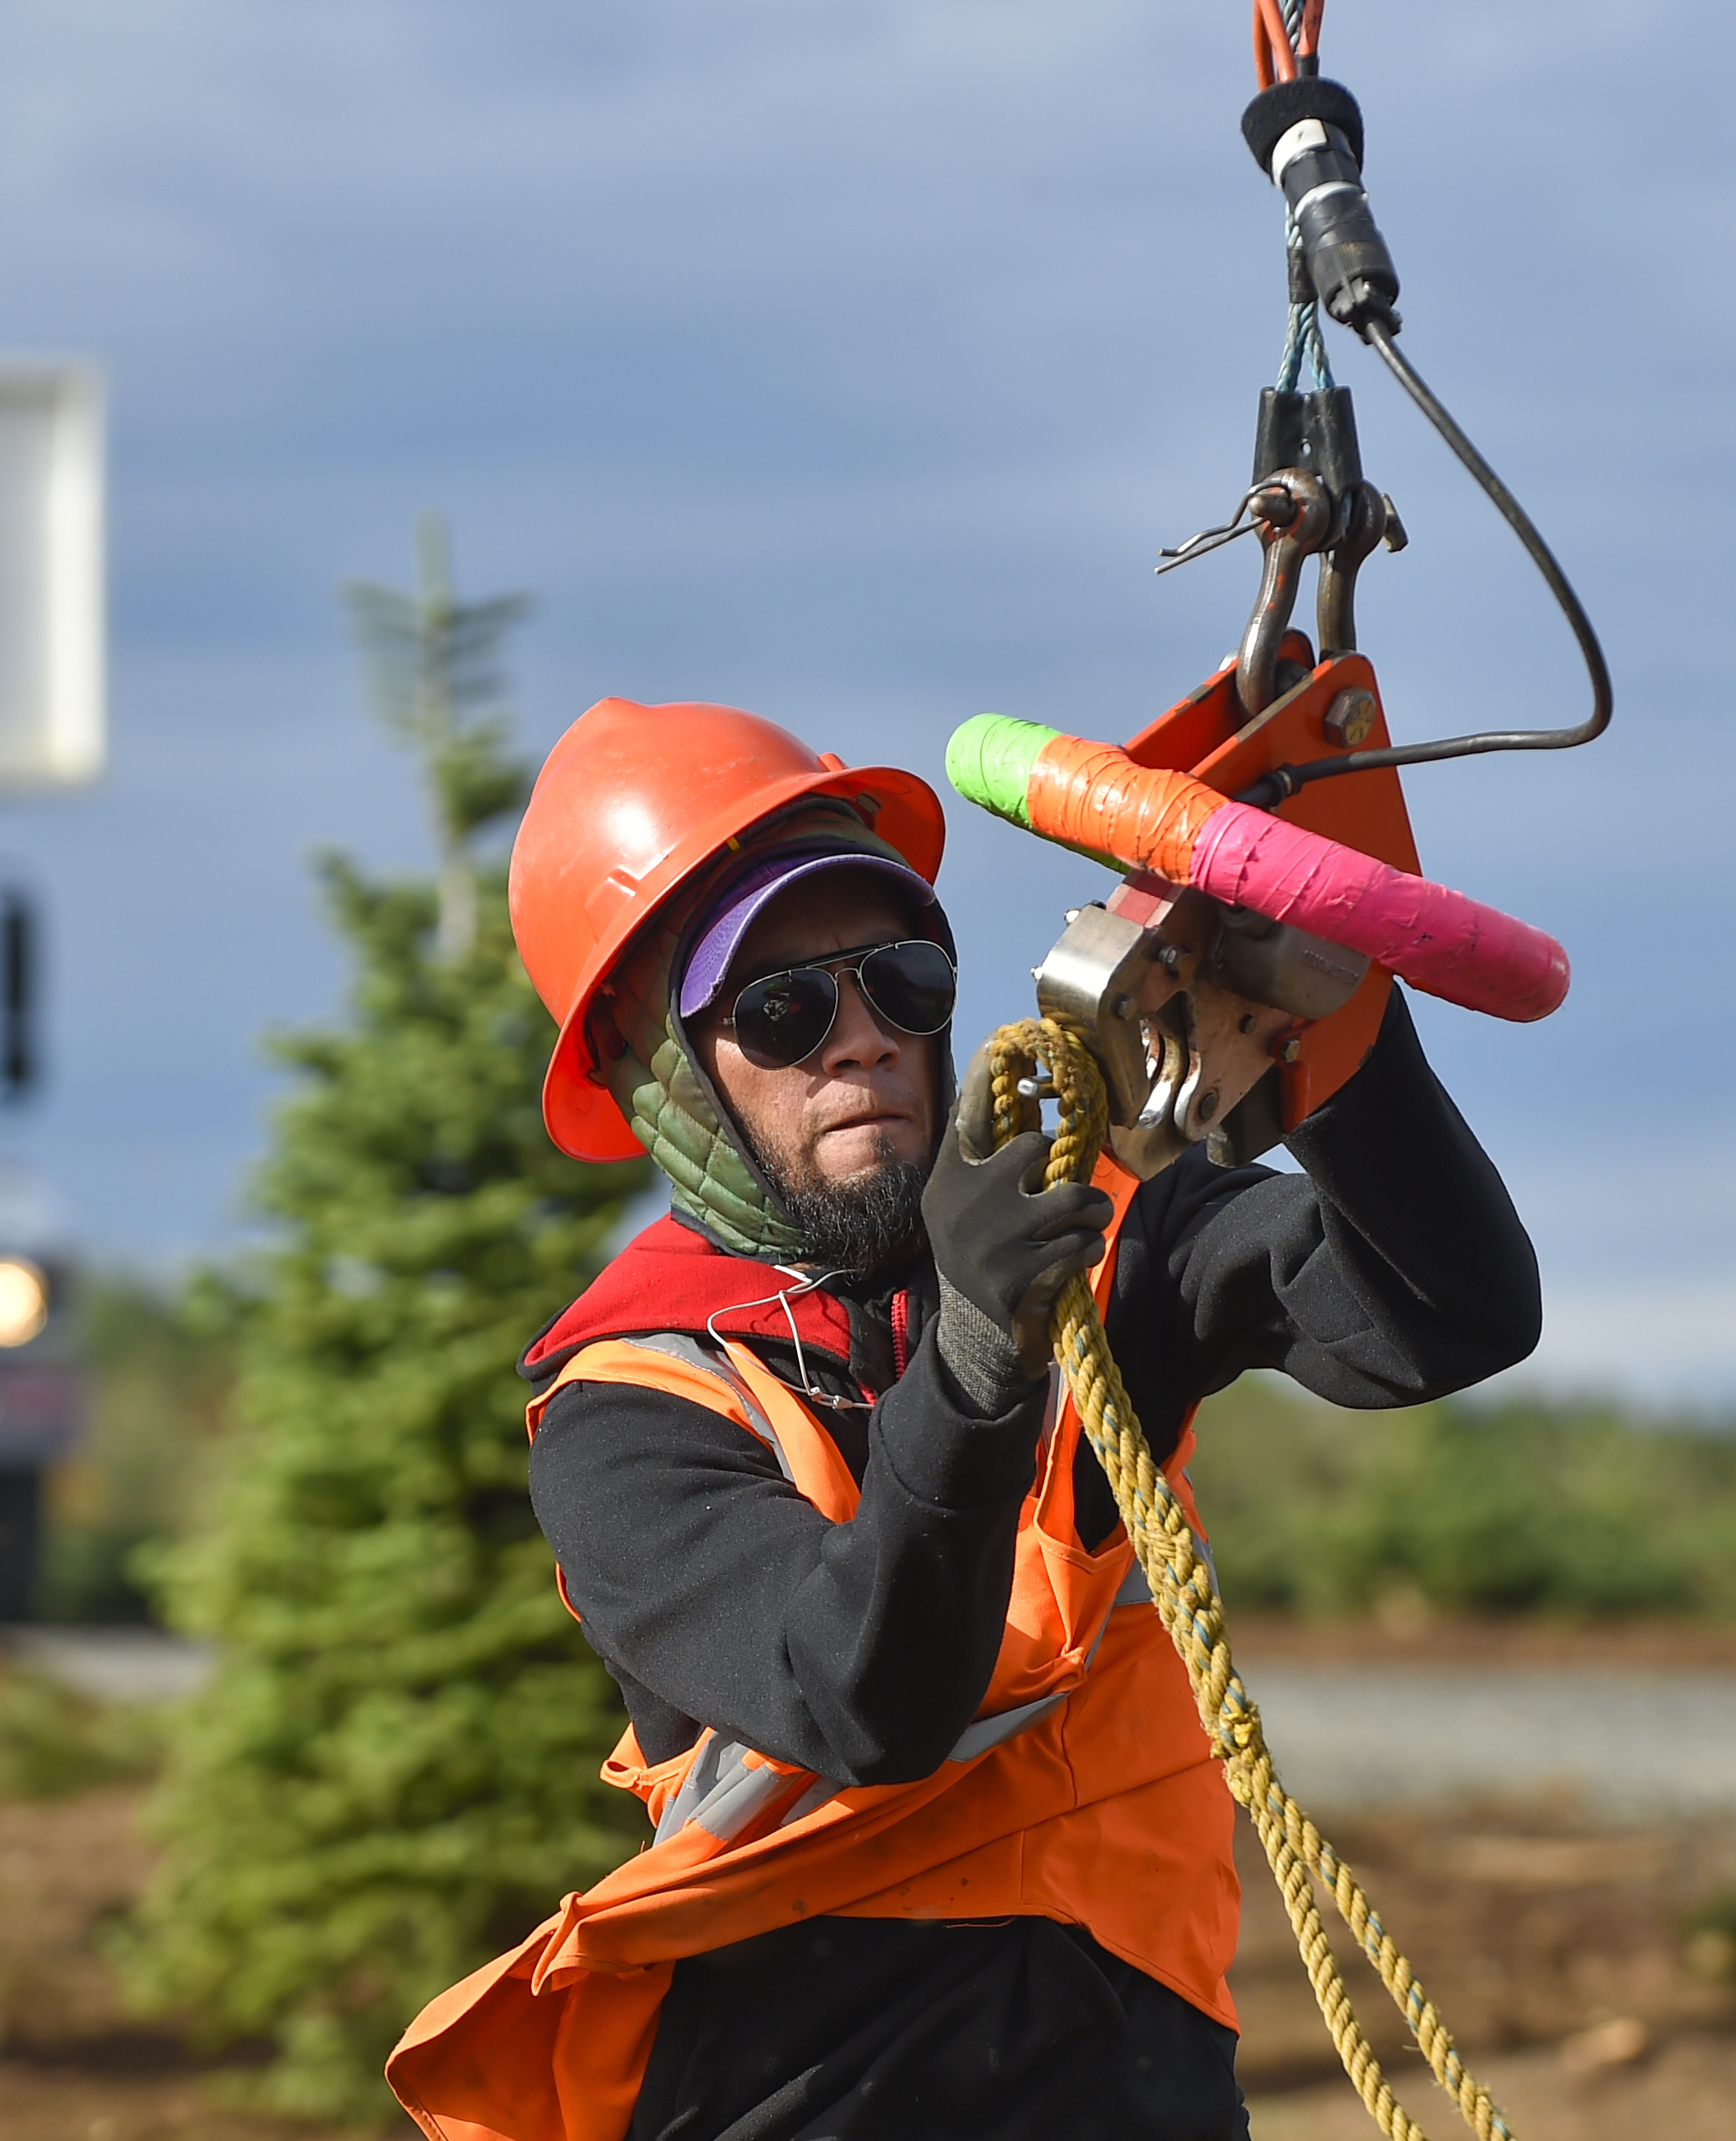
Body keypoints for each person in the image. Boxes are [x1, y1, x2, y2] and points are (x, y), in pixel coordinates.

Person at [390, 698, 1541, 2141]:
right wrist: (982, 1355)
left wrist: (1324, 1021)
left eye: (904, 980)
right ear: (656, 1068)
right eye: (779, 1009)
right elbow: (861, 1695)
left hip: (1137, 2080)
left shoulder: (1103, 1237)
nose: (861, 1039)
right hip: (797, 2094)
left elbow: (1447, 1315)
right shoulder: (624, 1410)